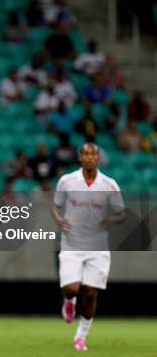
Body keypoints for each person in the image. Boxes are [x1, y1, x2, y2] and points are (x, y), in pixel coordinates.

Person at [51, 143, 125, 351]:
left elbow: (122, 213)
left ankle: (81, 336)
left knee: (91, 293)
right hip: (72, 243)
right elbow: (55, 207)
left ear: (98, 158)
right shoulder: (66, 181)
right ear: (80, 158)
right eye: (86, 153)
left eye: (94, 154)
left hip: (98, 246)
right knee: (71, 288)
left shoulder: (109, 184)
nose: (90, 157)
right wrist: (58, 220)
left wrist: (111, 219)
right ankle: (69, 302)